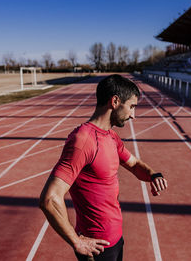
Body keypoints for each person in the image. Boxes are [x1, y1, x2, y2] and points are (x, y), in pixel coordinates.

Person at [39, 74, 168, 261]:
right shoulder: (83, 140)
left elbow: (133, 164)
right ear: (115, 101)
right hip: (96, 249)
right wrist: (77, 241)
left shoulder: (111, 136)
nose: (133, 115)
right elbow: (49, 199)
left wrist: (153, 175)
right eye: (131, 107)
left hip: (116, 240)